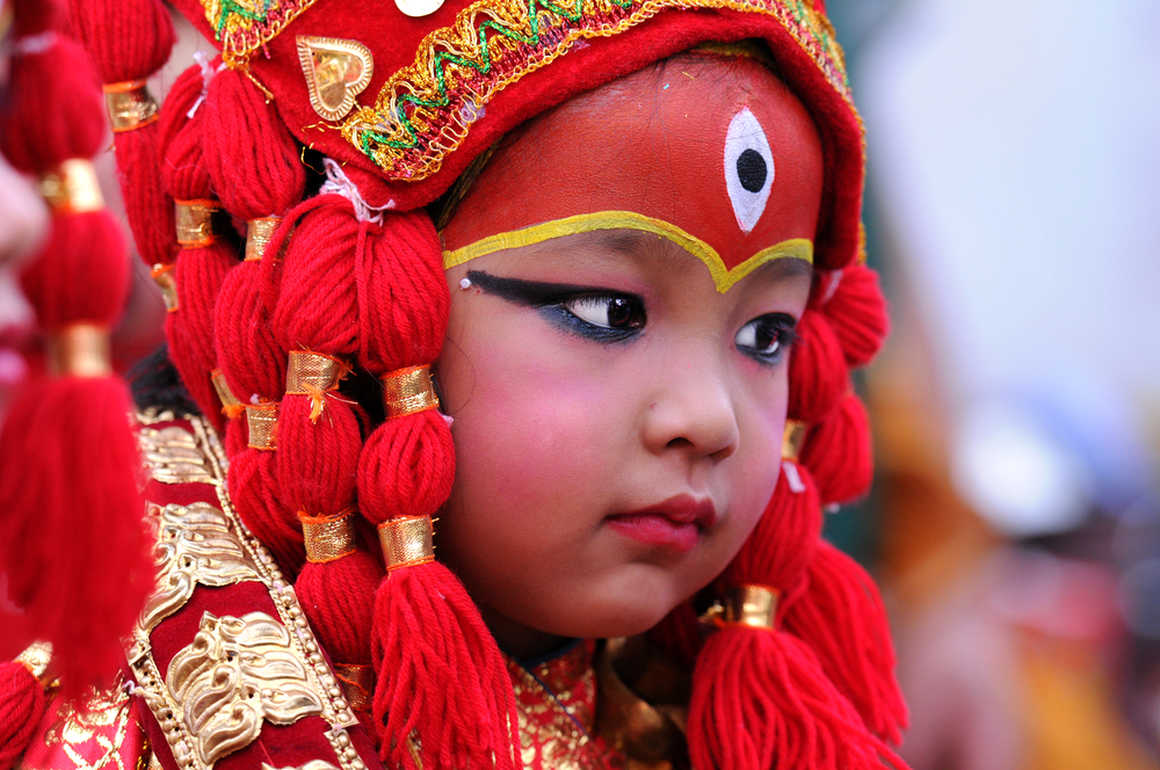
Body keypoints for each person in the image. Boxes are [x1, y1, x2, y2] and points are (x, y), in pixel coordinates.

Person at [1, 0, 906, 767]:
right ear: (345, 307)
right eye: (606, 314)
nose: (710, 419)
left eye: (766, 334)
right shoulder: (101, 672)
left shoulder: (674, 682)